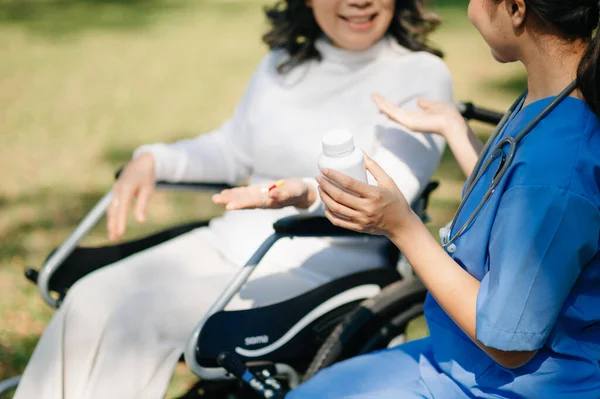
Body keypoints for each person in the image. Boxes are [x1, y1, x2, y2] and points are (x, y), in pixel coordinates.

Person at [13, 1, 453, 398]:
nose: (358, 1)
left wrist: (305, 192)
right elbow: (232, 149)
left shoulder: (420, 74)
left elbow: (390, 187)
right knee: (88, 297)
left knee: (140, 318)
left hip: (322, 261)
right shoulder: (285, 62)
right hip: (228, 242)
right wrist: (154, 160)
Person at [287, 0, 600, 398]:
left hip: (514, 384)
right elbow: (518, 209)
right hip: (460, 357)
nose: (469, 11)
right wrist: (455, 128)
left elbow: (508, 344)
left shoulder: (560, 164)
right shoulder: (553, 101)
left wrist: (401, 227)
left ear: (517, 8)